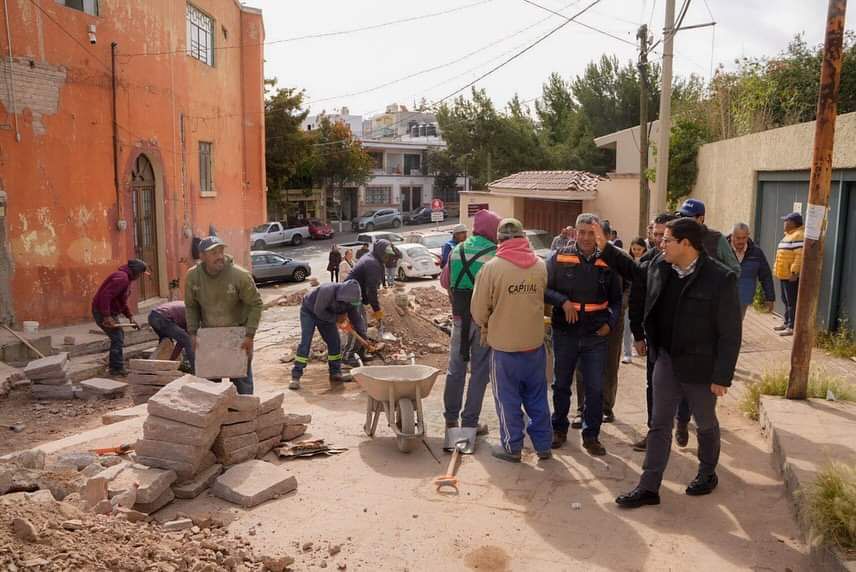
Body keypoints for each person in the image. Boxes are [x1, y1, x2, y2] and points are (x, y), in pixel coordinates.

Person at [597, 218, 741, 509]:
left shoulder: (719, 278)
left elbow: (730, 334)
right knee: (659, 425)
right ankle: (649, 486)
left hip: (701, 367)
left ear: (686, 244)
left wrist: (722, 376)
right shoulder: (659, 266)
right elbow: (634, 272)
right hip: (665, 359)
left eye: (667, 240)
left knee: (705, 424)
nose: (660, 244)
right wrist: (606, 248)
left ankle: (707, 472)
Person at [471, 218, 552, 463]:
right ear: (522, 237)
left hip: (505, 349)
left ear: (499, 239)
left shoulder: (492, 268)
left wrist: (488, 323)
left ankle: (512, 447)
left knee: (507, 399)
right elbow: (544, 301)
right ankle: (544, 446)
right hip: (535, 346)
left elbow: (478, 311)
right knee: (537, 397)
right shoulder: (540, 265)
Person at [545, 213, 622, 456]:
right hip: (565, 333)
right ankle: (558, 429)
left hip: (595, 335)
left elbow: (618, 300)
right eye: (582, 232)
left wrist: (610, 323)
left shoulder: (609, 261)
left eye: (591, 232)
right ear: (574, 232)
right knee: (561, 385)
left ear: (598, 233)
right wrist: (563, 302)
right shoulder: (558, 257)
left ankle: (591, 436)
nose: (586, 238)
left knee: (595, 388)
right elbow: (544, 289)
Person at [627, 213, 688, 452]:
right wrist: (638, 335)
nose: (660, 240)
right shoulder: (647, 263)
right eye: (657, 234)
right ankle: (655, 433)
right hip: (656, 341)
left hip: (685, 343)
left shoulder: (691, 265)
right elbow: (637, 300)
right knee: (654, 386)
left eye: (665, 235)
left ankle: (682, 422)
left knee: (686, 388)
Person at [440, 209, 501, 438]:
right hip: (484, 321)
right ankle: (469, 423)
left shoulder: (457, 249)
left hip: (459, 319)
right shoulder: (495, 253)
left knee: (455, 369)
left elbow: (445, 281)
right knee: (479, 372)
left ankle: (450, 420)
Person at [185, 236, 263, 395]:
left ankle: (245, 418)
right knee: (210, 388)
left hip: (238, 334)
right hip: (209, 335)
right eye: (213, 253)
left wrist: (250, 335)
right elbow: (191, 306)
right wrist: (192, 333)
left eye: (221, 251)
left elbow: (256, 304)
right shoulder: (193, 276)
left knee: (242, 383)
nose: (219, 256)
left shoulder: (239, 275)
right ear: (202, 256)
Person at [290, 279, 369, 389]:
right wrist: (337, 319)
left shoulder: (350, 301)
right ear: (343, 296)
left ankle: (335, 373)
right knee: (306, 341)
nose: (350, 305)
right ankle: (296, 376)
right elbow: (319, 311)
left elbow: (356, 319)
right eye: (348, 302)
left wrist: (364, 337)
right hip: (310, 312)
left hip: (328, 315)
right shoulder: (327, 291)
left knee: (335, 342)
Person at [91, 259, 148, 376]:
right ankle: (116, 368)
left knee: (118, 336)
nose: (140, 277)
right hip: (102, 311)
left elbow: (121, 302)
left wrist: (130, 317)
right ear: (136, 272)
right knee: (117, 337)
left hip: (109, 312)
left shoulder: (125, 279)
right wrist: (106, 316)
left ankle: (115, 366)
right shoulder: (122, 279)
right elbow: (105, 295)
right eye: (141, 274)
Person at [344, 239, 393, 364]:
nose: (387, 258)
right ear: (380, 252)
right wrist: (377, 311)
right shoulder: (372, 263)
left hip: (356, 294)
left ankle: (360, 352)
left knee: (363, 325)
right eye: (386, 255)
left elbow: (369, 284)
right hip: (351, 295)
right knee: (357, 325)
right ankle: (348, 355)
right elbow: (371, 290)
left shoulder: (373, 259)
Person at [675, 198, 741, 274]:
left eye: (687, 217)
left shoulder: (716, 238)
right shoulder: (676, 237)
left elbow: (735, 269)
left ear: (700, 219)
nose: (682, 220)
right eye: (681, 216)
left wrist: (717, 281)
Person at [729, 223, 775, 320]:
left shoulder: (756, 252)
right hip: (724, 297)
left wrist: (770, 297)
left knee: (736, 324)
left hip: (744, 296)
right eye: (738, 238)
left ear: (748, 236)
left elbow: (765, 275)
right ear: (732, 236)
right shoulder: (723, 249)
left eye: (744, 238)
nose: (741, 241)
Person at [773, 212, 804, 336]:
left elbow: (799, 256)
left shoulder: (798, 235)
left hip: (791, 276)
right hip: (783, 274)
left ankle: (791, 327)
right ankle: (786, 322)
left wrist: (794, 272)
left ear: (793, 223)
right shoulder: (789, 235)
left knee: (791, 301)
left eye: (786, 221)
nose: (784, 223)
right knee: (785, 300)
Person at [622, 238, 648, 364]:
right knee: (627, 327)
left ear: (644, 249)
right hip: (629, 301)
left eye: (639, 249)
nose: (637, 252)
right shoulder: (628, 262)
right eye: (634, 249)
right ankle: (627, 353)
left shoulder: (649, 262)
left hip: (644, 301)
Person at [148, 301, 194, 371]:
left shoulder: (186, 307)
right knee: (187, 340)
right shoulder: (191, 314)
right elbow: (183, 341)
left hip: (152, 316)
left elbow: (180, 342)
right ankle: (195, 369)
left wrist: (172, 360)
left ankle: (159, 366)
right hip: (162, 318)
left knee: (166, 342)